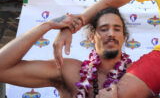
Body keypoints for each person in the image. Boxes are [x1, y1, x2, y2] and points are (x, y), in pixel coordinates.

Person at [0, 8, 132, 98]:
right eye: (104, 29)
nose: (111, 34)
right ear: (91, 36)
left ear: (124, 36)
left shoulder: (137, 75)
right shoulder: (69, 71)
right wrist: (47, 25)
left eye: (117, 29)